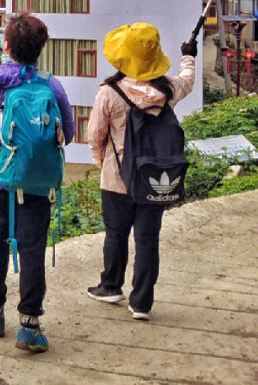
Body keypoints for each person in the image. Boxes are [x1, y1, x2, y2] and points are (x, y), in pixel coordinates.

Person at [0, 13, 74, 353]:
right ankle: (29, 324)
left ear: (6, 45)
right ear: (40, 48)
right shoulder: (50, 85)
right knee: (32, 250)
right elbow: (68, 133)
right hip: (36, 181)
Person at [86, 22, 196, 320]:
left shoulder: (109, 93)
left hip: (115, 179)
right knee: (148, 240)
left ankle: (111, 286)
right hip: (154, 178)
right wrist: (188, 56)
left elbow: (95, 135)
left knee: (115, 234)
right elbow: (188, 80)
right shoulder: (167, 89)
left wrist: (105, 164)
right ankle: (142, 303)